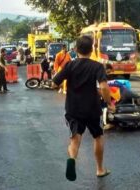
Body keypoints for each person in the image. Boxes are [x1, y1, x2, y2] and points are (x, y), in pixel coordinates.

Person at [52, 35, 115, 181]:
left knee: (75, 139)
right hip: (93, 108)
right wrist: (109, 103)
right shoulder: (97, 66)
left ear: (76, 49)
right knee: (98, 137)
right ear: (92, 49)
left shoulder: (69, 65)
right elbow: (105, 87)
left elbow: (54, 83)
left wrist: (65, 85)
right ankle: (100, 169)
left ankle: (72, 159)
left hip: (74, 108)